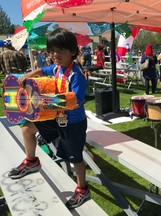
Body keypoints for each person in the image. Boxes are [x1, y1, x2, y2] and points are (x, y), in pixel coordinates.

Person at [8, 28, 90, 209]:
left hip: (73, 123)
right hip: (57, 118)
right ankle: (31, 161)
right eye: (52, 50)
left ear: (73, 52)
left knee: (75, 158)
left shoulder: (77, 75)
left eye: (60, 50)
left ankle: (83, 189)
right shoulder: (56, 68)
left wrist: (52, 103)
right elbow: (42, 69)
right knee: (27, 127)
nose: (55, 54)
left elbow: (75, 100)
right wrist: (28, 75)